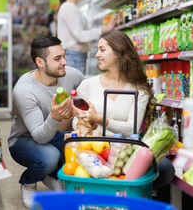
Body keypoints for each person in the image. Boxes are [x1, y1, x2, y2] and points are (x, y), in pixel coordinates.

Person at [72, 30, 175, 190]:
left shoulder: (139, 89)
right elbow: (75, 122)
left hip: (125, 151)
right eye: (97, 49)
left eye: (102, 50)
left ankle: (137, 194)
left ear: (119, 52)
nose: (97, 54)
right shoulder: (87, 85)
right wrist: (86, 124)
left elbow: (131, 128)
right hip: (94, 149)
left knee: (166, 169)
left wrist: (99, 119)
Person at [8, 35, 85, 209]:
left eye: (64, 55)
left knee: (79, 143)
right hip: (24, 140)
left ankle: (52, 175)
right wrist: (55, 116)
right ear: (40, 62)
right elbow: (39, 137)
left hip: (53, 135)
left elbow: (90, 90)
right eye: (57, 58)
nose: (65, 62)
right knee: (49, 156)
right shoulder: (24, 90)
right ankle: (28, 181)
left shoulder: (72, 75)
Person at [57, 0, 116, 75]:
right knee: (74, 87)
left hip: (74, 54)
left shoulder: (73, 8)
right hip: (74, 54)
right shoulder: (69, 7)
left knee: (73, 87)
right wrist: (103, 29)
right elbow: (80, 35)